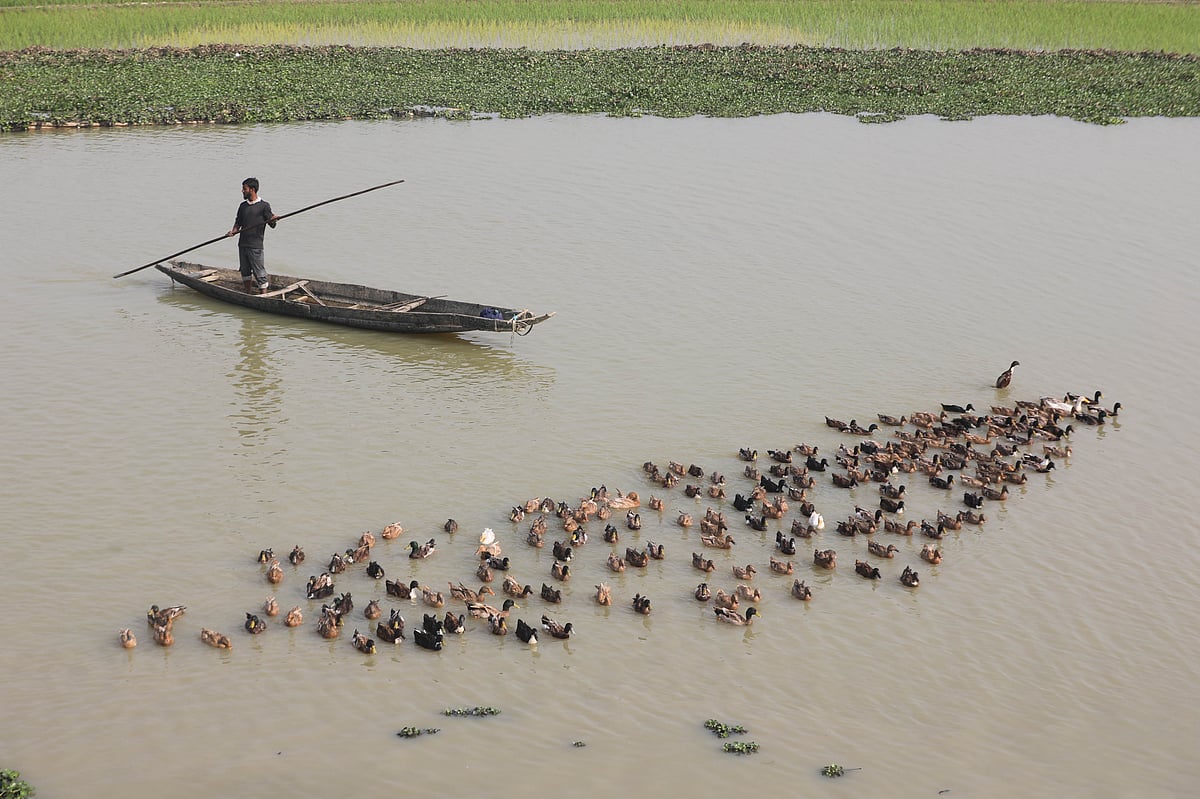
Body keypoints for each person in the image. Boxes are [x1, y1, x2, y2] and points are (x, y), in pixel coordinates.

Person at [227, 177, 279, 294]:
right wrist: (233, 231)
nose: (242, 191)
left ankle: (264, 296)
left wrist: (274, 219)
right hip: (242, 244)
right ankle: (247, 293)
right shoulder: (242, 206)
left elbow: (272, 224)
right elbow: (238, 222)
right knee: (245, 271)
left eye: (244, 189)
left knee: (259, 272)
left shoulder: (264, 206)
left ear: (252, 189)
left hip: (255, 246)